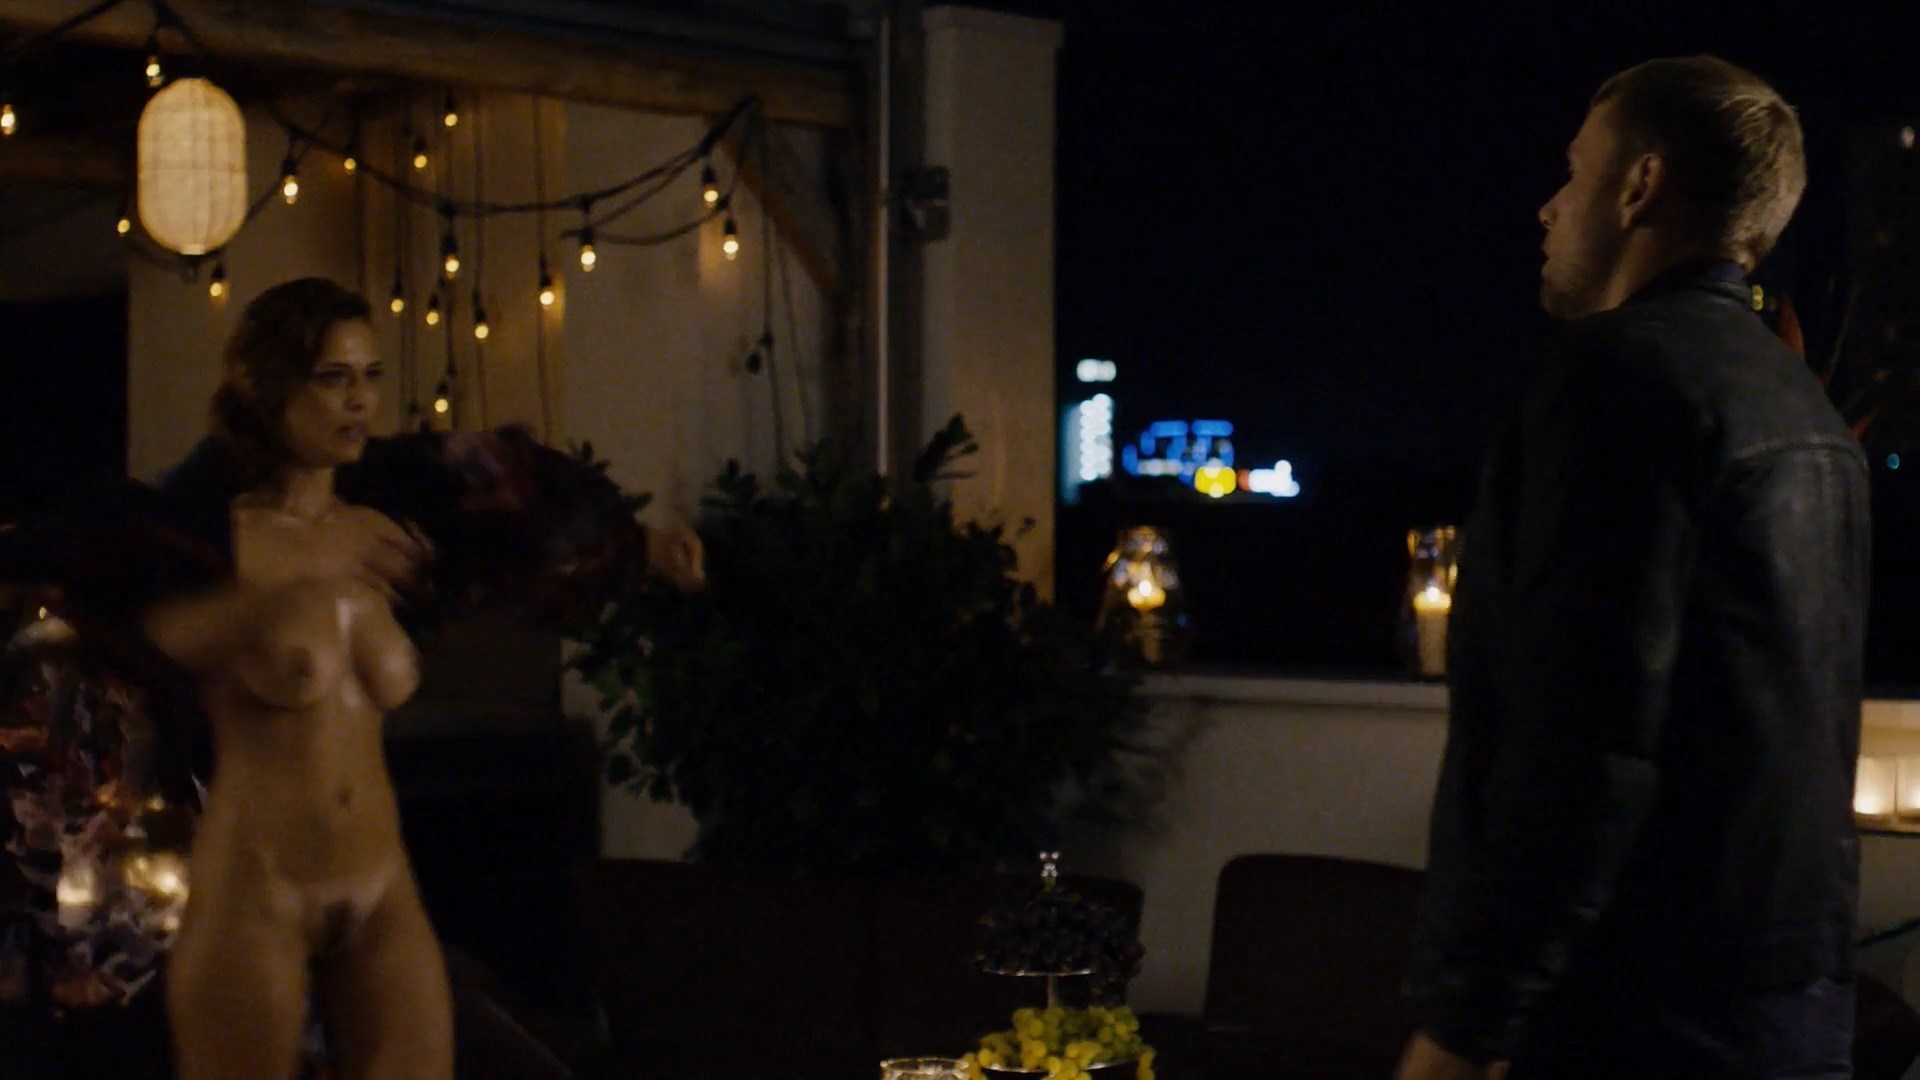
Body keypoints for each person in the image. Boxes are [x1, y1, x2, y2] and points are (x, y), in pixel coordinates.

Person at [0, 276, 700, 1078]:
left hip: (379, 883)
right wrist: (260, 599)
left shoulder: (392, 532)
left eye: (370, 376)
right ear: (269, 389)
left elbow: (519, 511)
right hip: (256, 884)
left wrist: (642, 547)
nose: (359, 400)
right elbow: (98, 592)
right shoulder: (209, 540)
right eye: (332, 379)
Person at [1399, 57, 1867, 1079]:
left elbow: (1581, 740)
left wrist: (1465, 1029)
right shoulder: (1807, 412)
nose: (1549, 206)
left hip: (1630, 1014)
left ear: (1641, 184)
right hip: (1788, 1010)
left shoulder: (1614, 382)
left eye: (1574, 171)